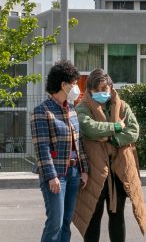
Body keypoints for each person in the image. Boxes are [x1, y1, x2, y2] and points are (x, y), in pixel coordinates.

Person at [72, 68, 146, 241]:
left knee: (117, 215)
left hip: (119, 170)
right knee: (93, 216)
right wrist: (117, 127)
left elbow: (134, 131)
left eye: (104, 89)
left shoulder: (122, 106)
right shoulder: (83, 108)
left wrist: (111, 139)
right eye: (96, 90)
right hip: (95, 170)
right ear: (89, 90)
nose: (101, 93)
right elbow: (88, 127)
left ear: (111, 87)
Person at [31, 60, 90, 242]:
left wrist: (84, 169)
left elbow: (77, 142)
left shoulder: (71, 109)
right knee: (55, 222)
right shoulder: (42, 111)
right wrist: (51, 176)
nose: (76, 87)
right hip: (56, 176)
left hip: (73, 173)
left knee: (66, 222)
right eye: (73, 83)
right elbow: (42, 148)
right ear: (63, 85)